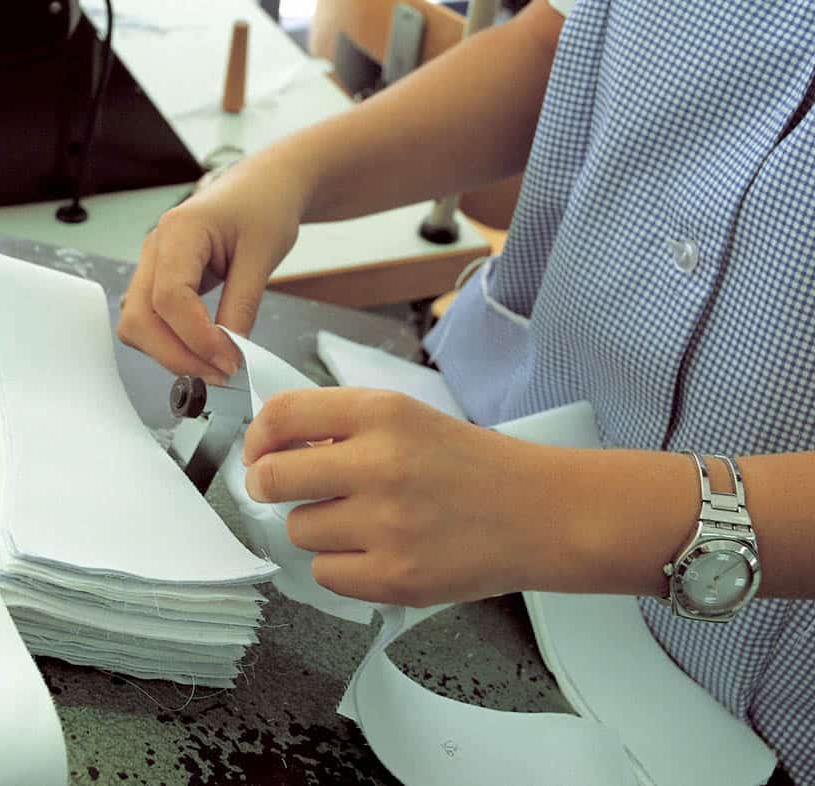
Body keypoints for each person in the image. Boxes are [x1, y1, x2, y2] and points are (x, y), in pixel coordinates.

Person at [118, 1, 815, 780]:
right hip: (492, 494)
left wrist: (563, 510)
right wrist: (284, 174)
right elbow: (566, 43)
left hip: (764, 700)